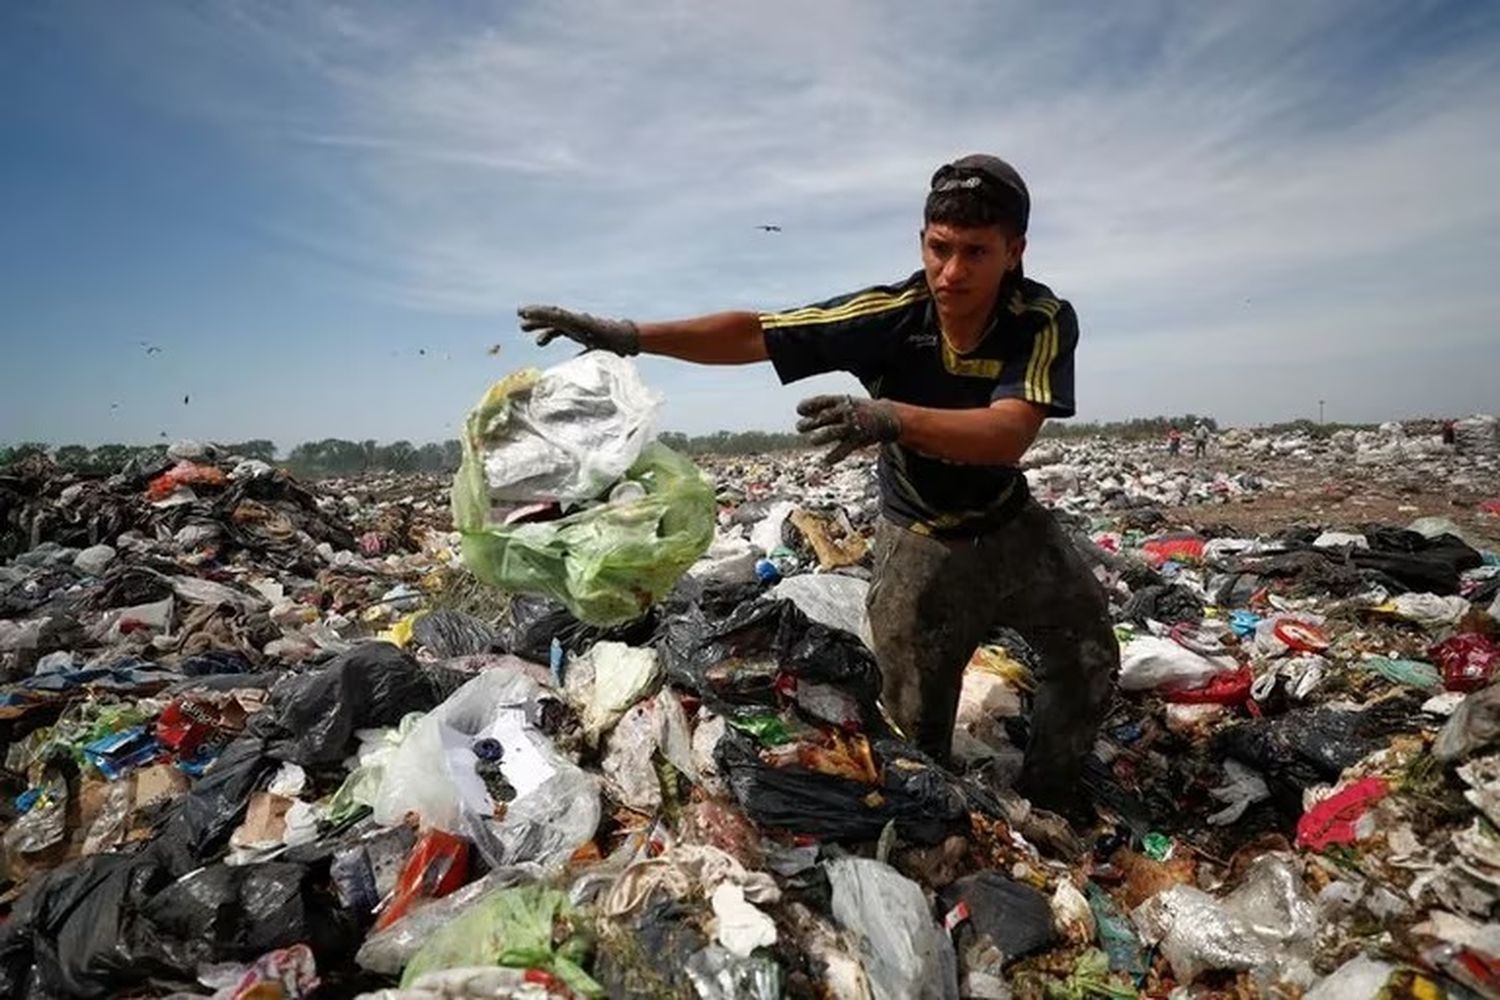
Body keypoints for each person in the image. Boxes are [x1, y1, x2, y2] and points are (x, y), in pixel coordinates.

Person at [518, 154, 1119, 817]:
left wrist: (891, 417)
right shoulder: (890, 315)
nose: (951, 272)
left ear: (1015, 251)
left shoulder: (1040, 318)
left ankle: (1053, 802)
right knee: (915, 735)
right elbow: (756, 333)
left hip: (1012, 526)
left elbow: (1008, 433)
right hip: (923, 540)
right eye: (938, 248)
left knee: (1087, 654)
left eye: (975, 252)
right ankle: (955, 835)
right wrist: (630, 336)